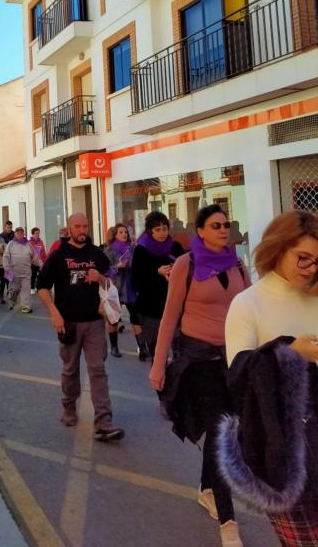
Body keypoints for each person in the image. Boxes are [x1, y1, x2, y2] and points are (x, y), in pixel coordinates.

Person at [149, 205, 251, 547]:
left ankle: (207, 489)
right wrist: (158, 363)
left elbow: (253, 311)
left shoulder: (238, 266)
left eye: (227, 225)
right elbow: (168, 317)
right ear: (201, 231)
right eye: (216, 225)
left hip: (235, 360)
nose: (224, 230)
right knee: (222, 434)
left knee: (226, 432)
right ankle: (228, 521)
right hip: (200, 361)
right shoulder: (186, 265)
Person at [220, 211, 318, 547]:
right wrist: (291, 353)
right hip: (284, 452)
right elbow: (239, 379)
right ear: (278, 248)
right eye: (302, 258)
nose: (310, 269)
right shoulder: (248, 304)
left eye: (317, 261)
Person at [37, 212, 125, 441]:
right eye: (78, 226)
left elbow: (110, 283)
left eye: (85, 226)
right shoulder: (58, 255)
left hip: (95, 322)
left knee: (98, 371)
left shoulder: (96, 254)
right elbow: (43, 287)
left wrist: (101, 279)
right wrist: (54, 314)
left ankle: (104, 422)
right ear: (69, 228)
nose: (82, 230)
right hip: (68, 323)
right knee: (70, 369)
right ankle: (68, 406)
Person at [131, 211, 185, 360]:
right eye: (157, 230)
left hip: (174, 305)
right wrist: (157, 273)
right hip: (151, 309)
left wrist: (176, 270)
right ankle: (160, 381)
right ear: (150, 231)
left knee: (179, 353)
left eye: (165, 229)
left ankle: (176, 382)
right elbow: (136, 281)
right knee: (158, 355)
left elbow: (188, 269)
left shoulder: (175, 247)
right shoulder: (141, 250)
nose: (162, 233)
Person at [103, 225, 135, 358]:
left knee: (136, 318)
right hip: (115, 288)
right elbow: (104, 270)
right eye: (121, 232)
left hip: (130, 288)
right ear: (115, 235)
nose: (124, 234)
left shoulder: (132, 249)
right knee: (113, 320)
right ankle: (114, 347)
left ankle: (143, 348)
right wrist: (117, 267)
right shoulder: (109, 251)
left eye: (126, 232)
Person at [3, 227, 38, 313]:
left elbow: (35, 256)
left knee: (26, 290)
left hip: (26, 273)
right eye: (17, 233)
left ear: (23, 234)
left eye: (21, 233)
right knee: (14, 289)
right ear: (15, 234)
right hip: (13, 272)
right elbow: (6, 257)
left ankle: (26, 306)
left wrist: (41, 264)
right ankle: (11, 302)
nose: (19, 234)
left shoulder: (28, 244)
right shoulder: (11, 244)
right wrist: (7, 268)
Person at [29, 227, 47, 296]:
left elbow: (43, 250)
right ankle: (32, 288)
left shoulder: (41, 241)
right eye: (36, 233)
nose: (38, 234)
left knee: (41, 275)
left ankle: (39, 286)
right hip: (33, 261)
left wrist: (44, 259)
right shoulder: (29, 242)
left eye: (38, 233)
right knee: (33, 275)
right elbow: (29, 252)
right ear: (33, 234)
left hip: (40, 261)